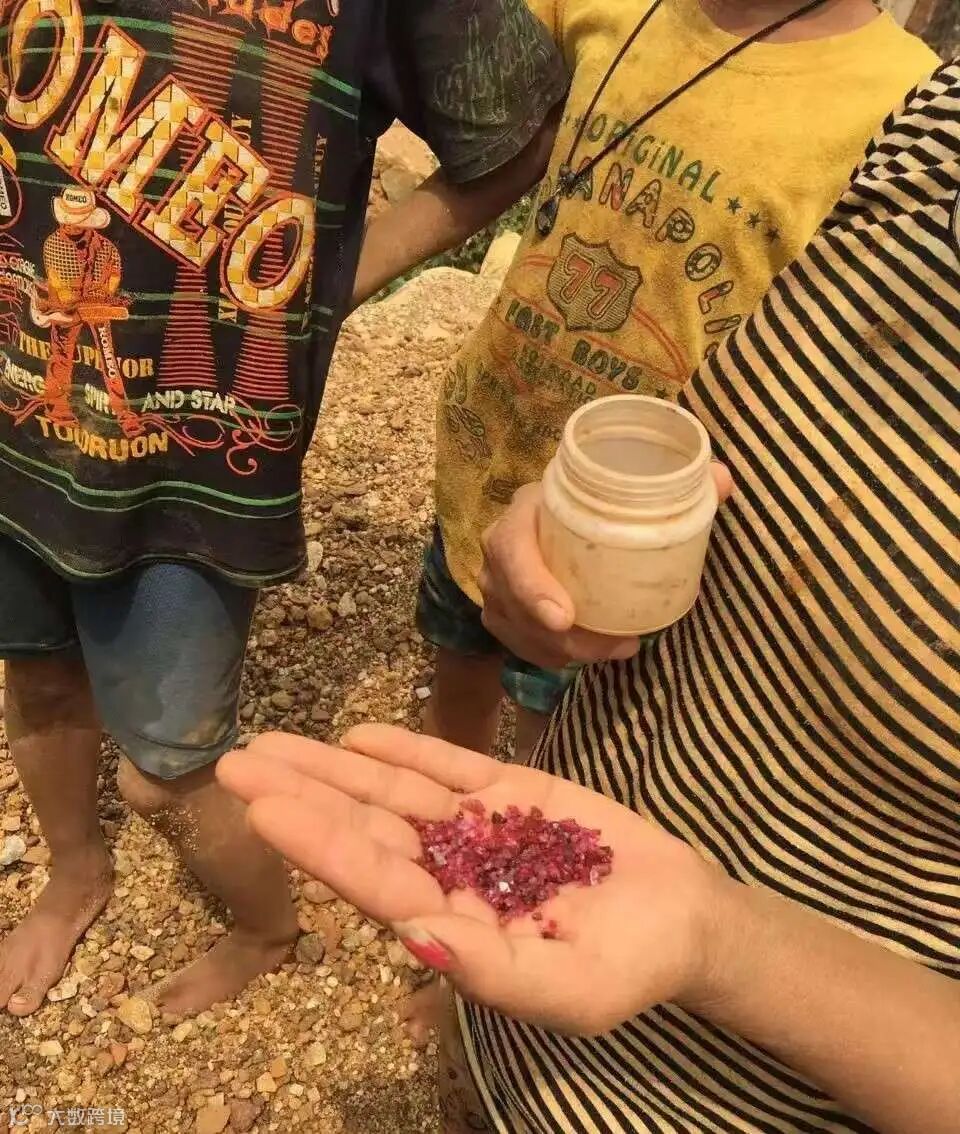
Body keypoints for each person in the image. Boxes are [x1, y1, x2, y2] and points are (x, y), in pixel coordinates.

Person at [220, 59, 960, 1133]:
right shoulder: (939, 124)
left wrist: (721, 941)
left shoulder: (878, 86)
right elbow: (727, 448)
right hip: (531, 947)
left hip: (738, 1099)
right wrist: (569, 529)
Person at [0, 0, 568, 1018]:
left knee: (170, 768)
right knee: (36, 679)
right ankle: (75, 871)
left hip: (191, 459)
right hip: (16, 423)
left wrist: (333, 285)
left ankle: (265, 928)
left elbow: (516, 131)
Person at [370, 0, 937, 764]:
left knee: (561, 752)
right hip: (488, 452)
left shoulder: (908, 107)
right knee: (459, 675)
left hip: (639, 531)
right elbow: (493, 110)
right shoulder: (600, 7)